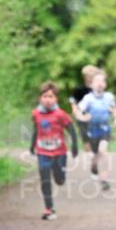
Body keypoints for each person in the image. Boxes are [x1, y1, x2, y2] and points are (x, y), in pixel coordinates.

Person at [30, 81, 78, 221]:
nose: (48, 99)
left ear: (56, 99)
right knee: (45, 179)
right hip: (43, 152)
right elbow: (36, 130)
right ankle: (49, 209)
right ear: (40, 98)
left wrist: (75, 146)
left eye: (51, 96)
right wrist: (32, 145)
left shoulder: (60, 114)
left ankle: (61, 175)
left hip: (59, 153)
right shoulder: (36, 114)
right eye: (45, 96)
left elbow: (71, 130)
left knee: (59, 180)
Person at [76, 69, 116, 190]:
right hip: (92, 129)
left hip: (104, 128)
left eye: (102, 81)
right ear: (91, 84)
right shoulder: (88, 98)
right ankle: (94, 167)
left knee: (103, 151)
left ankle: (104, 180)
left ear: (105, 84)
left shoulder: (109, 97)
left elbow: (114, 108)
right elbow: (78, 112)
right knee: (95, 155)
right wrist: (83, 117)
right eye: (97, 81)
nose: (100, 83)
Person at [69, 64, 96, 154]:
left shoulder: (98, 89)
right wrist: (75, 110)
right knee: (85, 136)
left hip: (95, 116)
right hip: (82, 115)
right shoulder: (79, 89)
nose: (90, 77)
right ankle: (88, 154)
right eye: (88, 76)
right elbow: (73, 100)